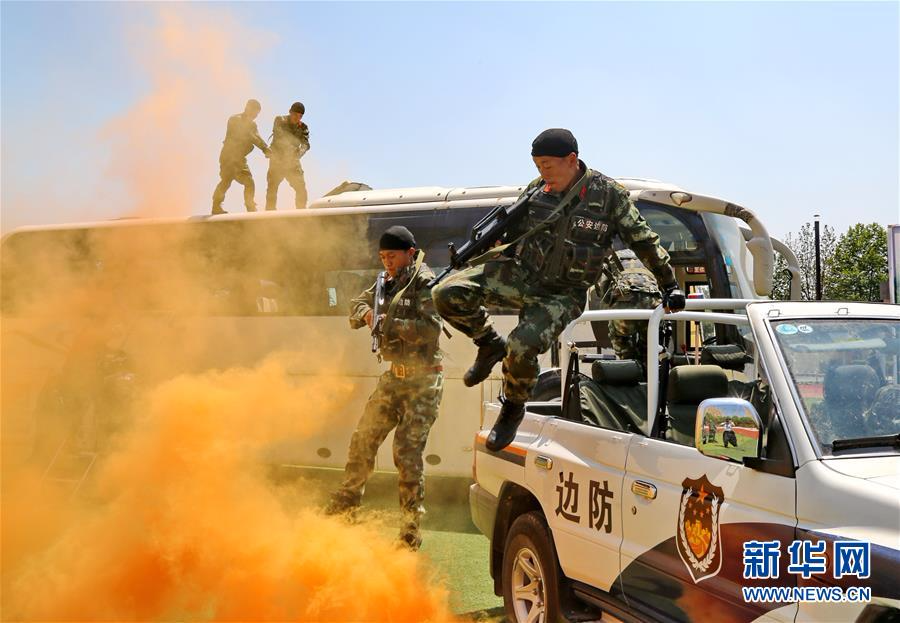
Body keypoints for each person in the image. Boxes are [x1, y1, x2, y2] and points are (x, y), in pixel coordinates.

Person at [432, 128, 685, 452]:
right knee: (447, 293)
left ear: (572, 160)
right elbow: (515, 232)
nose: (542, 172)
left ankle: (512, 406)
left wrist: (670, 285)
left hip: (563, 292)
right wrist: (498, 243)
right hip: (523, 275)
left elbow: (643, 240)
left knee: (522, 346)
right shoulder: (537, 190)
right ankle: (488, 344)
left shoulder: (609, 195)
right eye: (537, 165)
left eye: (548, 165)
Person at [324, 226, 444, 551]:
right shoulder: (383, 283)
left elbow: (432, 330)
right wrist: (367, 313)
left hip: (424, 380)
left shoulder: (425, 281)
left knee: (406, 454)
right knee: (363, 438)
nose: (387, 263)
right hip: (395, 376)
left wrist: (387, 321)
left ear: (409, 252)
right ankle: (346, 505)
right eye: (382, 257)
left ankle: (409, 531)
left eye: (391, 256)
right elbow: (356, 305)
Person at [589, 248, 662, 367]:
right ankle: (650, 372)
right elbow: (666, 284)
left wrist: (610, 304)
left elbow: (603, 290)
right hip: (651, 305)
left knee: (621, 341)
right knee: (649, 347)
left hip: (623, 305)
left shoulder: (614, 257)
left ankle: (628, 367)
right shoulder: (653, 252)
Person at [211, 99, 270, 215]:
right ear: (247, 108)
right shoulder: (235, 119)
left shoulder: (253, 125)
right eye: (254, 111)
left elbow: (257, 136)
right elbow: (250, 136)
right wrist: (264, 148)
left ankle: (250, 207)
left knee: (249, 181)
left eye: (257, 113)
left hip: (240, 158)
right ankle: (216, 206)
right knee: (226, 181)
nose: (255, 115)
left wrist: (267, 149)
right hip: (229, 156)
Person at [265, 101, 310, 210]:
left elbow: (306, 144)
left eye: (300, 116)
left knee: (301, 189)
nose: (297, 118)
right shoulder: (280, 120)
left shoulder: (303, 127)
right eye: (295, 114)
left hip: (292, 163)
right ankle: (269, 214)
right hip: (278, 161)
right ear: (290, 112)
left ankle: (301, 213)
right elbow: (280, 136)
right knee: (272, 187)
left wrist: (297, 155)